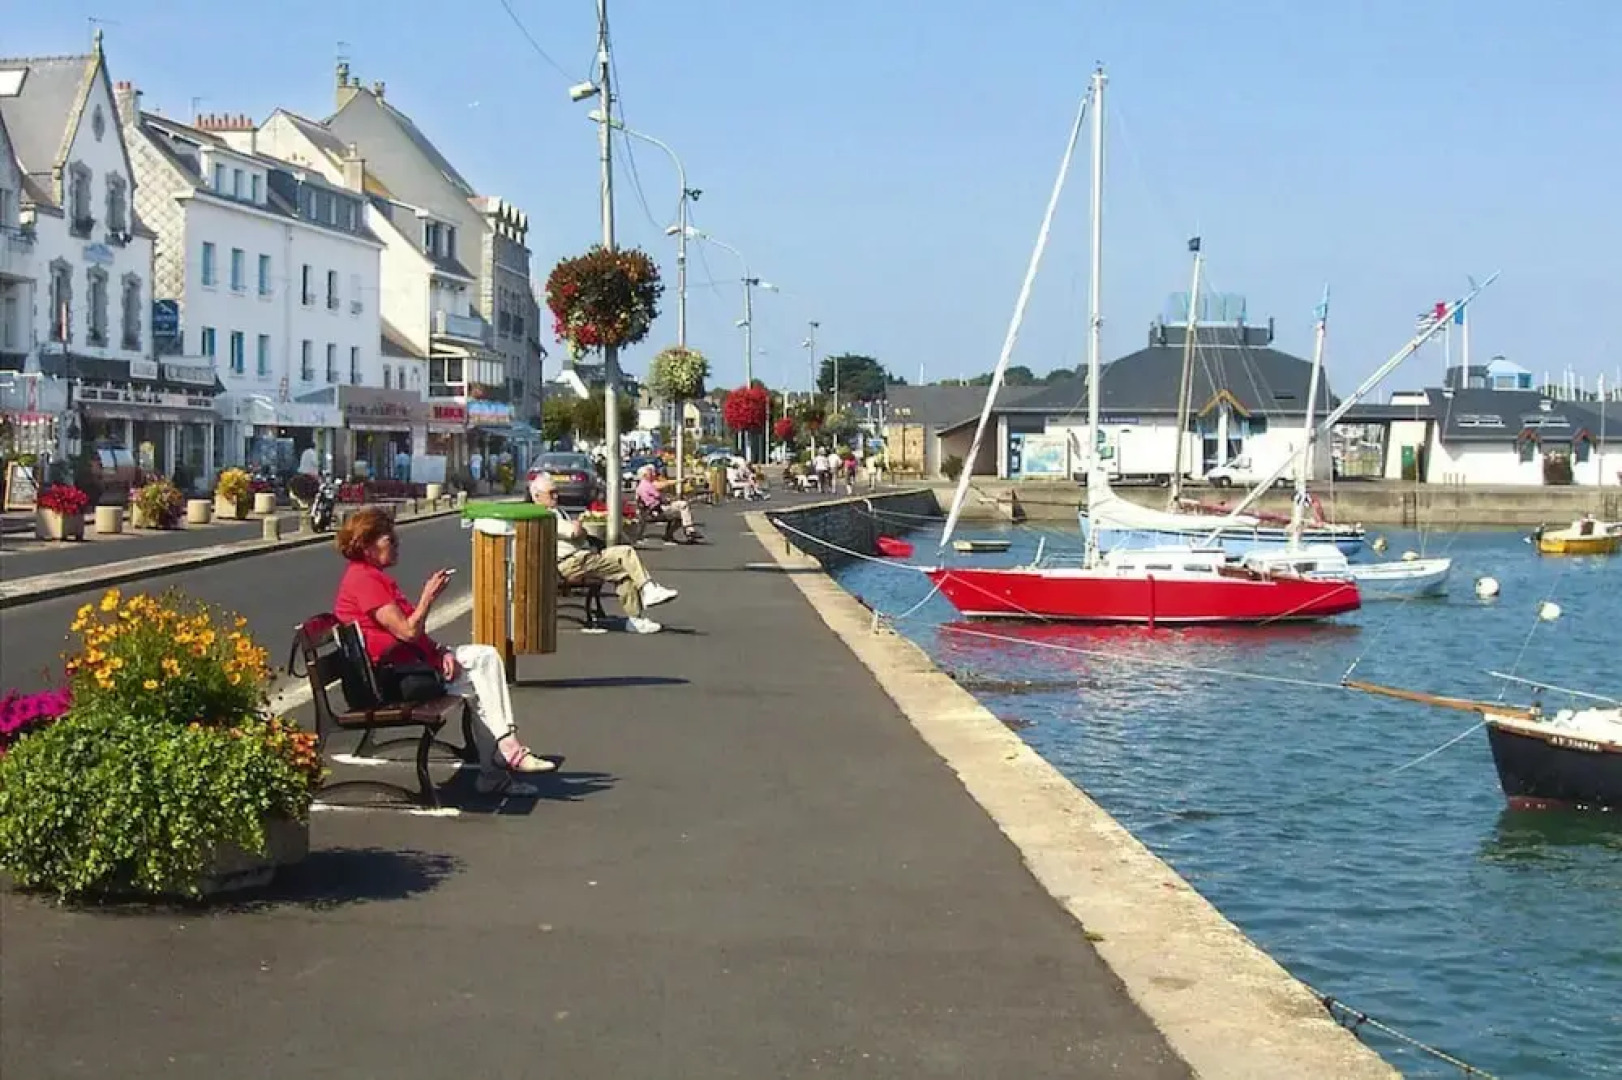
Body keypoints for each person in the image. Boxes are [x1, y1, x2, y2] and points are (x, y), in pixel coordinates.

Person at [333, 507, 555, 796]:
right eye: (390, 540)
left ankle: (500, 760)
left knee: (481, 669)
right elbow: (407, 631)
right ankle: (503, 754)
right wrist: (428, 597)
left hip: (401, 667)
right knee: (482, 666)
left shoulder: (372, 577)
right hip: (388, 680)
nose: (397, 545)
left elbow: (411, 636)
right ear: (367, 545)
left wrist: (439, 652)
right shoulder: (364, 581)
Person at [530, 473, 677, 634]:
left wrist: (579, 529)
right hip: (571, 562)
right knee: (624, 571)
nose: (556, 496)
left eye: (556, 492)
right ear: (537, 496)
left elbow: (580, 534)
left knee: (625, 551)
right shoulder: (544, 515)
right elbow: (574, 532)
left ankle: (648, 589)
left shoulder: (557, 512)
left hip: (582, 557)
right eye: (551, 493)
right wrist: (577, 527)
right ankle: (637, 617)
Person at [634, 463, 700, 540]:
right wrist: (669, 500)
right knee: (683, 505)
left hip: (649, 512)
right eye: (650, 473)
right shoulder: (647, 485)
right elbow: (659, 497)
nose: (653, 474)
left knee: (681, 514)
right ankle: (689, 530)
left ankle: (674, 534)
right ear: (645, 475)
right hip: (656, 511)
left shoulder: (640, 486)